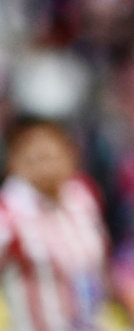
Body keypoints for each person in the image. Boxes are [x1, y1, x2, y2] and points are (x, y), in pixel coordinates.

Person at [0, 117, 108, 330]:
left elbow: (100, 262)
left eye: (51, 155)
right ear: (15, 163)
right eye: (36, 157)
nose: (46, 165)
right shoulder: (9, 210)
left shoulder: (82, 196)